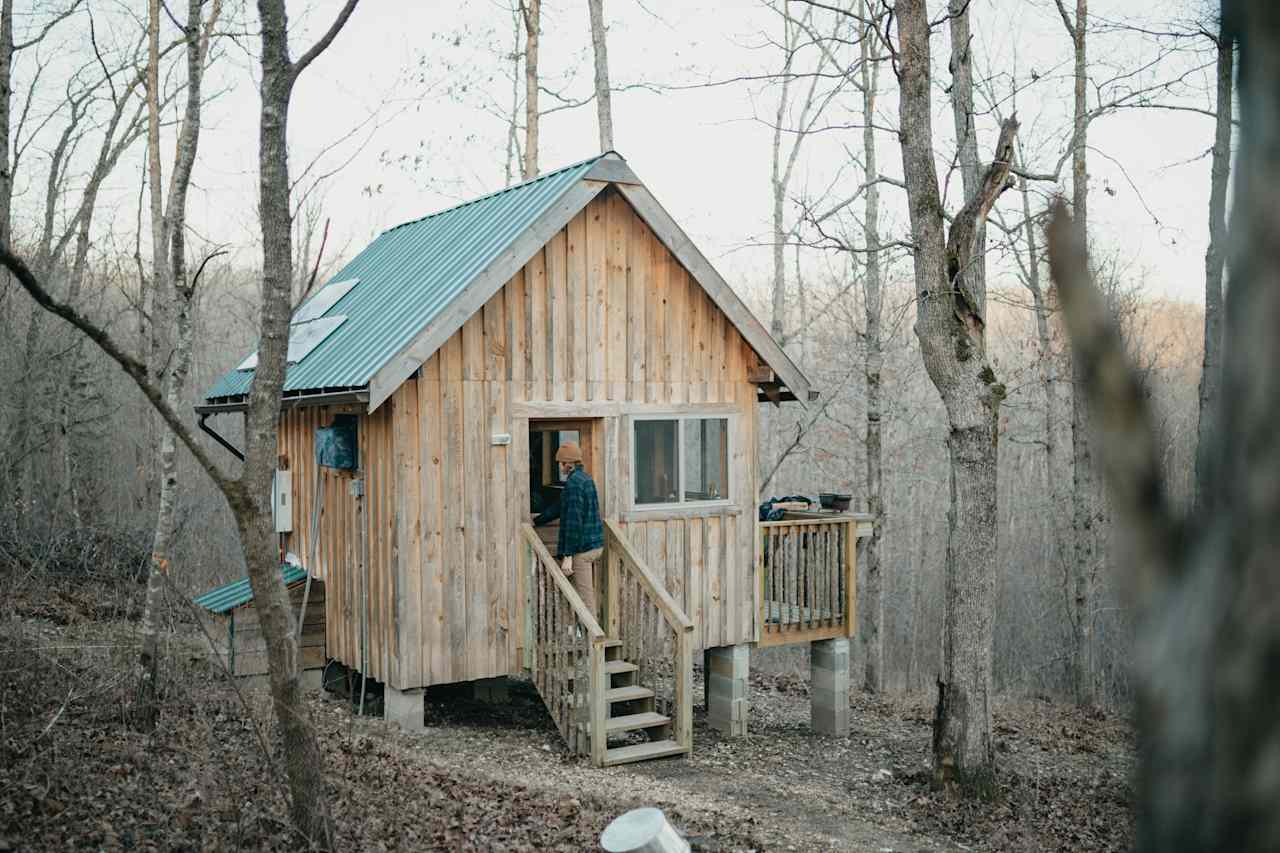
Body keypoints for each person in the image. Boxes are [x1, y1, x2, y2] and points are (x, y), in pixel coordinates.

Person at [533, 442, 604, 618]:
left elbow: (573, 522)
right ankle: (579, 634)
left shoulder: (573, 485)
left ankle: (592, 641)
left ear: (567, 464)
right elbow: (559, 507)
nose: (559, 466)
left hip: (582, 550)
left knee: (585, 598)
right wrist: (538, 519)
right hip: (595, 546)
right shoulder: (585, 479)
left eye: (560, 463)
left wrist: (568, 557)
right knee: (576, 593)